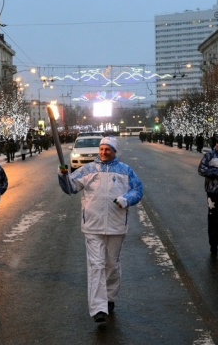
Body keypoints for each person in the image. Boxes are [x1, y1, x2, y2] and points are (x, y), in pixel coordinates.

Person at [57, 136, 143, 323]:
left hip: (116, 225)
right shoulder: (88, 169)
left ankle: (110, 298)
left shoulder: (125, 170)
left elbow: (138, 189)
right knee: (96, 266)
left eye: (108, 149)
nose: (104, 152)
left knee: (111, 265)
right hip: (93, 226)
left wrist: (127, 199)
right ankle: (98, 309)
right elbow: (71, 188)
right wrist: (63, 175)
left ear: (114, 151)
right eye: (102, 149)